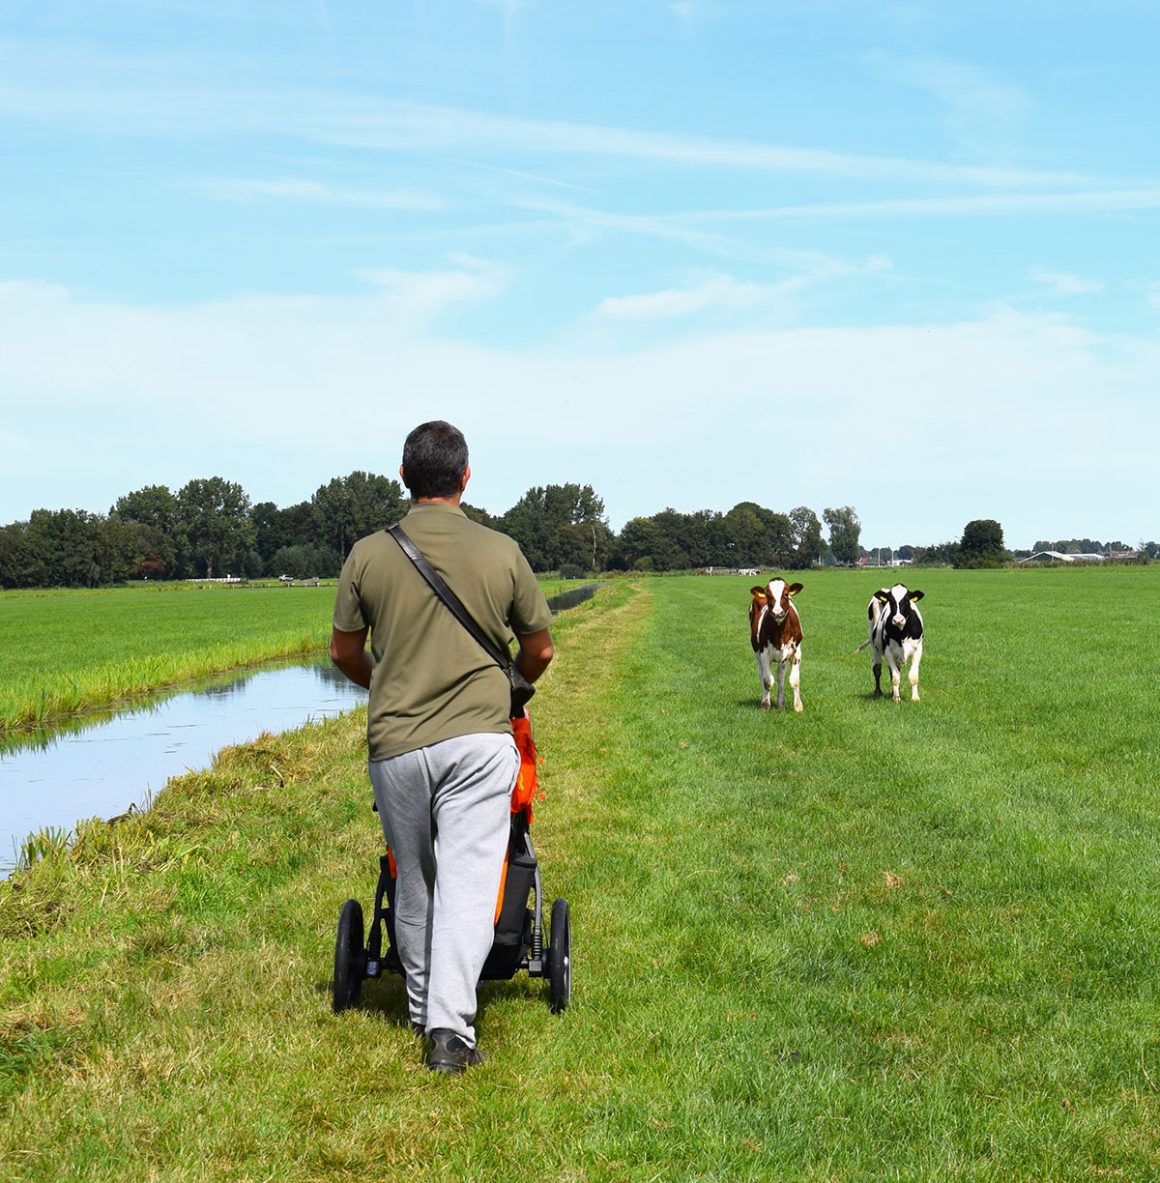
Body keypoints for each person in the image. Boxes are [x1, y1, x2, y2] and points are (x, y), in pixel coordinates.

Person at [329, 421, 554, 1074]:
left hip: (396, 744)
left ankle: (424, 1009)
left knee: (413, 876)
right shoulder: (502, 551)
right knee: (467, 883)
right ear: (465, 477)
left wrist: (385, 683)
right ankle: (448, 1032)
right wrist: (511, 688)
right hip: (479, 742)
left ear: (404, 477)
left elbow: (343, 652)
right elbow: (540, 649)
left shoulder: (367, 554)